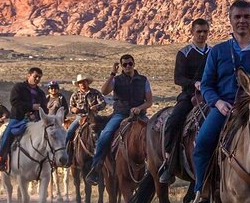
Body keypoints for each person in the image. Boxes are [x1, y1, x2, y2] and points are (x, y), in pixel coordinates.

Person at [189, 0, 250, 203]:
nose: (242, 21)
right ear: (230, 20)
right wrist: (217, 103)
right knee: (203, 143)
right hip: (225, 108)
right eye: (237, 17)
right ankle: (204, 195)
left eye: (246, 16)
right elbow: (207, 84)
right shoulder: (218, 51)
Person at [158, 18, 211, 184]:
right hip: (189, 95)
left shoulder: (213, 52)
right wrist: (194, 83)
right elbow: (178, 78)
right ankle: (169, 160)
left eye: (205, 31)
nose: (202, 35)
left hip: (211, 95)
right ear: (192, 33)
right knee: (174, 120)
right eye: (199, 31)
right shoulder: (184, 53)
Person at [86, 55, 153, 184]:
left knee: (153, 133)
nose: (128, 66)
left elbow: (149, 101)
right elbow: (104, 91)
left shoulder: (143, 80)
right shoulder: (116, 80)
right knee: (105, 135)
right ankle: (96, 168)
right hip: (120, 114)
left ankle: (158, 166)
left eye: (130, 63)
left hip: (139, 114)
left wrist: (139, 108)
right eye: (125, 64)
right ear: (121, 66)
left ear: (134, 63)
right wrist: (112, 73)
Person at [0, 67, 48, 171]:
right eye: (35, 76)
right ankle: (1, 159)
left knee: (49, 134)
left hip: (35, 119)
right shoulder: (18, 87)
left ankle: (50, 161)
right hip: (18, 117)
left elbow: (44, 108)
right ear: (28, 75)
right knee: (7, 134)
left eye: (39, 77)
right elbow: (14, 102)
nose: (37, 79)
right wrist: (31, 107)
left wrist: (38, 114)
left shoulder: (41, 93)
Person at [64, 73, 107, 166]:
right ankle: (68, 156)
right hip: (80, 117)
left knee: (105, 132)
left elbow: (103, 103)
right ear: (78, 84)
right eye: (80, 83)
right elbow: (71, 107)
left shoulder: (95, 93)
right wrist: (73, 109)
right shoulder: (75, 95)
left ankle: (105, 156)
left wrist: (97, 107)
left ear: (87, 82)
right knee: (69, 132)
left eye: (84, 82)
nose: (82, 84)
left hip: (94, 117)